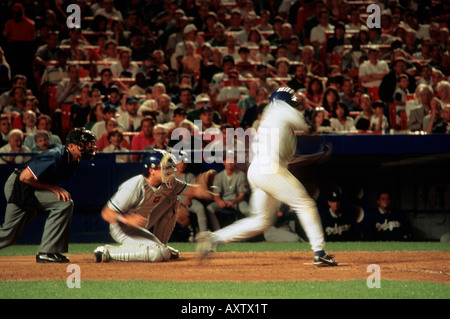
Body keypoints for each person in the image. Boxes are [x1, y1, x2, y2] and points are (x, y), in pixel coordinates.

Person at [196, 87, 337, 267]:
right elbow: (308, 126)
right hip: (269, 168)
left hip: (259, 170)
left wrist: (311, 157)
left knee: (262, 221)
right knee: (305, 203)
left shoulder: (273, 122)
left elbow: (286, 158)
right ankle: (319, 252)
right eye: (292, 103)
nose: (294, 107)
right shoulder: (280, 109)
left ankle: (213, 238)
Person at [92, 149, 213, 262]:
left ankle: (160, 246)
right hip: (121, 228)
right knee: (158, 254)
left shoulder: (169, 183)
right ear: (152, 170)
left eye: (170, 167)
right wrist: (128, 220)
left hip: (140, 225)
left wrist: (203, 185)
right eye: (165, 168)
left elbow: (194, 191)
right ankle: (108, 251)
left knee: (174, 199)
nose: (169, 171)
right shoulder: (135, 185)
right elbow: (107, 213)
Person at [0, 128, 97, 263]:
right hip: (19, 186)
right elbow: (25, 177)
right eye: (84, 144)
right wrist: (52, 189)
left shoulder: (74, 160)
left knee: (64, 204)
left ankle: (49, 252)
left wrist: (33, 205)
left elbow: (44, 178)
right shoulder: (55, 155)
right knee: (8, 235)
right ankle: (48, 252)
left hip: (30, 186)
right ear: (71, 146)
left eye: (89, 144)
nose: (88, 147)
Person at [206, 159, 251, 231]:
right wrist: (220, 201)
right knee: (210, 208)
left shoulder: (241, 175)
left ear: (235, 162)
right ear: (223, 162)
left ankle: (248, 233)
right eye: (227, 160)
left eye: (232, 160)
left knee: (248, 210)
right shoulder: (218, 176)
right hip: (223, 201)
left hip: (238, 201)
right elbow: (216, 195)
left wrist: (233, 202)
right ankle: (217, 231)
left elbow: (241, 195)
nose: (229, 163)